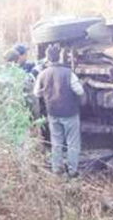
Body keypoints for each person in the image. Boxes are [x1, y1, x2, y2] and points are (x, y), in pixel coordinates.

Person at [33, 44, 84, 178]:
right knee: (72, 143)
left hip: (53, 113)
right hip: (70, 113)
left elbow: (36, 93)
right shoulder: (68, 73)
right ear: (60, 57)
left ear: (47, 58)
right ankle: (73, 171)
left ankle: (57, 169)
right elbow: (80, 91)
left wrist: (46, 92)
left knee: (56, 142)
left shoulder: (42, 74)